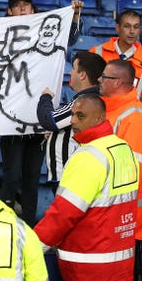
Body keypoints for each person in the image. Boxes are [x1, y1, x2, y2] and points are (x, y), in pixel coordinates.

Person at [34, 93, 139, 281]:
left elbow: (62, 215)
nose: (72, 121)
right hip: (122, 264)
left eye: (80, 116)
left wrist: (32, 247)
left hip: (90, 270)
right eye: (72, 114)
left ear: (99, 118)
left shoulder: (88, 157)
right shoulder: (122, 148)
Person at [0, 0, 84, 226]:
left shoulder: (45, 30)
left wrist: (74, 17)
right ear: (9, 11)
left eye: (27, 4)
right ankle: (3, 224)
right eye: (17, 6)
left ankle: (27, 227)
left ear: (33, 9)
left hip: (39, 121)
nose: (23, 9)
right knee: (12, 177)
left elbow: (70, 39)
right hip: (11, 123)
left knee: (31, 179)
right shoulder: (0, 33)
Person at [90, 9, 142, 154]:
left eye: (136, 27)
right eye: (127, 26)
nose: (132, 31)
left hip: (128, 129)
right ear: (118, 28)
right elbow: (81, 89)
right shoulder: (97, 53)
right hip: (98, 125)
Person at [99, 59, 142, 243]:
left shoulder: (134, 115)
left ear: (117, 82)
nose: (99, 79)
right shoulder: (111, 110)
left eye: (104, 76)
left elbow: (131, 172)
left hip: (123, 222)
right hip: (110, 215)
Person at [36, 51, 106, 186]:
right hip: (74, 174)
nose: (71, 73)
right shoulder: (94, 100)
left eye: (73, 68)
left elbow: (49, 120)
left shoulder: (84, 102)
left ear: (82, 75)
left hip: (69, 175)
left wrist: (46, 97)